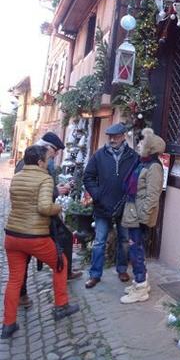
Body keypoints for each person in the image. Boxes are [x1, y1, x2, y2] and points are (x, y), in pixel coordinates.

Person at [1, 145, 79, 339]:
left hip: (12, 235)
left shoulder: (17, 177)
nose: (48, 163)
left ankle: (8, 324)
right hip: (34, 236)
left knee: (14, 279)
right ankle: (61, 305)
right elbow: (44, 207)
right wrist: (57, 208)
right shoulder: (44, 178)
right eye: (47, 160)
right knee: (61, 264)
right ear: (39, 162)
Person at [16, 132, 82, 309]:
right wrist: (56, 194)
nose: (56, 154)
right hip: (35, 219)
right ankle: (56, 301)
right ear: (46, 149)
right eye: (55, 150)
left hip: (30, 219)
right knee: (31, 257)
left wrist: (55, 190)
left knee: (66, 237)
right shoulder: (33, 163)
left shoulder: (38, 162)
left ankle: (64, 273)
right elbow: (34, 194)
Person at [83, 123, 139, 288]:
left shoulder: (133, 156)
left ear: (123, 136)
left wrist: (131, 196)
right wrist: (97, 194)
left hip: (124, 206)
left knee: (124, 240)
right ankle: (95, 274)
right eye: (110, 136)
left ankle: (121, 269)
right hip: (102, 206)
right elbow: (88, 177)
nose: (112, 139)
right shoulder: (99, 155)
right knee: (99, 241)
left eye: (115, 136)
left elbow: (138, 179)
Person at [120, 128, 165, 304]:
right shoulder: (141, 163)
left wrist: (143, 217)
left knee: (136, 250)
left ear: (150, 148)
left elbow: (153, 195)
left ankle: (140, 287)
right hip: (133, 212)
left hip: (139, 216)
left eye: (141, 143)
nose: (138, 145)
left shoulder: (154, 167)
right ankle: (140, 282)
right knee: (134, 248)